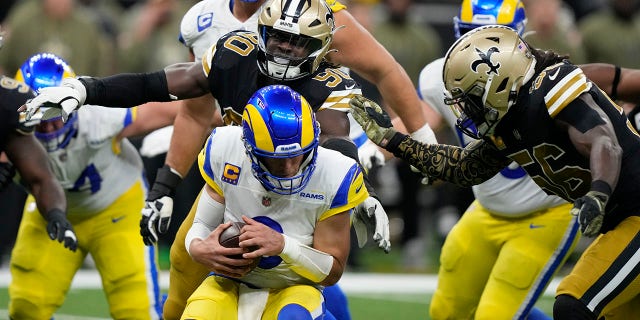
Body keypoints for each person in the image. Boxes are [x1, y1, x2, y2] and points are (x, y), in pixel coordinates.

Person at [19, 0, 391, 318]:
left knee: (305, 277)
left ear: (322, 46)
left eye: (297, 44)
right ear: (260, 29)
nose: (283, 50)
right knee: (185, 260)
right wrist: (87, 88)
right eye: (277, 37)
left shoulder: (332, 83)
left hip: (299, 190)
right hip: (238, 176)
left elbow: (337, 144)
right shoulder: (234, 54)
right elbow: (159, 85)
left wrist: (362, 192)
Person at [351, 25, 640, 320]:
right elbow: (466, 168)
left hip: (635, 214)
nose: (465, 110)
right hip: (620, 223)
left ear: (498, 82)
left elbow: (603, 142)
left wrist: (599, 193)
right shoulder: (509, 118)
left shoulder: (552, 87)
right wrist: (392, 140)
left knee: (574, 305)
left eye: (471, 98)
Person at [416, 1, 579, 319]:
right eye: (470, 35)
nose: (480, 54)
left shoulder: (546, 81)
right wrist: (369, 148)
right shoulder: (438, 77)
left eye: (492, 39)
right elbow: (419, 124)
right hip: (487, 209)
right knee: (445, 312)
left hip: (545, 214)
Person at [9, 53, 175, 319]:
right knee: (27, 306)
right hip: (51, 212)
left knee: (136, 311)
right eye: (42, 113)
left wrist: (190, 128)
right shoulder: (9, 125)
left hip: (117, 210)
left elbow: (179, 110)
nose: (50, 125)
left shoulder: (98, 114)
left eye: (56, 111)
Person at [181, 84, 366, 319]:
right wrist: (196, 247)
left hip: (295, 288)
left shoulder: (335, 172)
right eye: (277, 160)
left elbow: (332, 272)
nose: (289, 169)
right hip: (230, 281)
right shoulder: (226, 148)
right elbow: (203, 225)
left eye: (295, 156)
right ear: (248, 147)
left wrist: (282, 245)